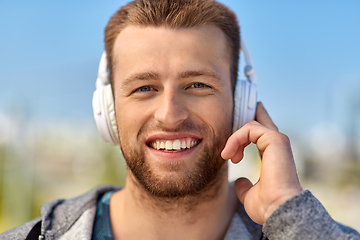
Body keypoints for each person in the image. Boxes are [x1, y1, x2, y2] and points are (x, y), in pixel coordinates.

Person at [1, 0, 360, 239]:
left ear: (241, 104)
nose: (170, 114)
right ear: (108, 110)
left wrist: (289, 215)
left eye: (198, 84)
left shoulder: (305, 231)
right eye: (144, 88)